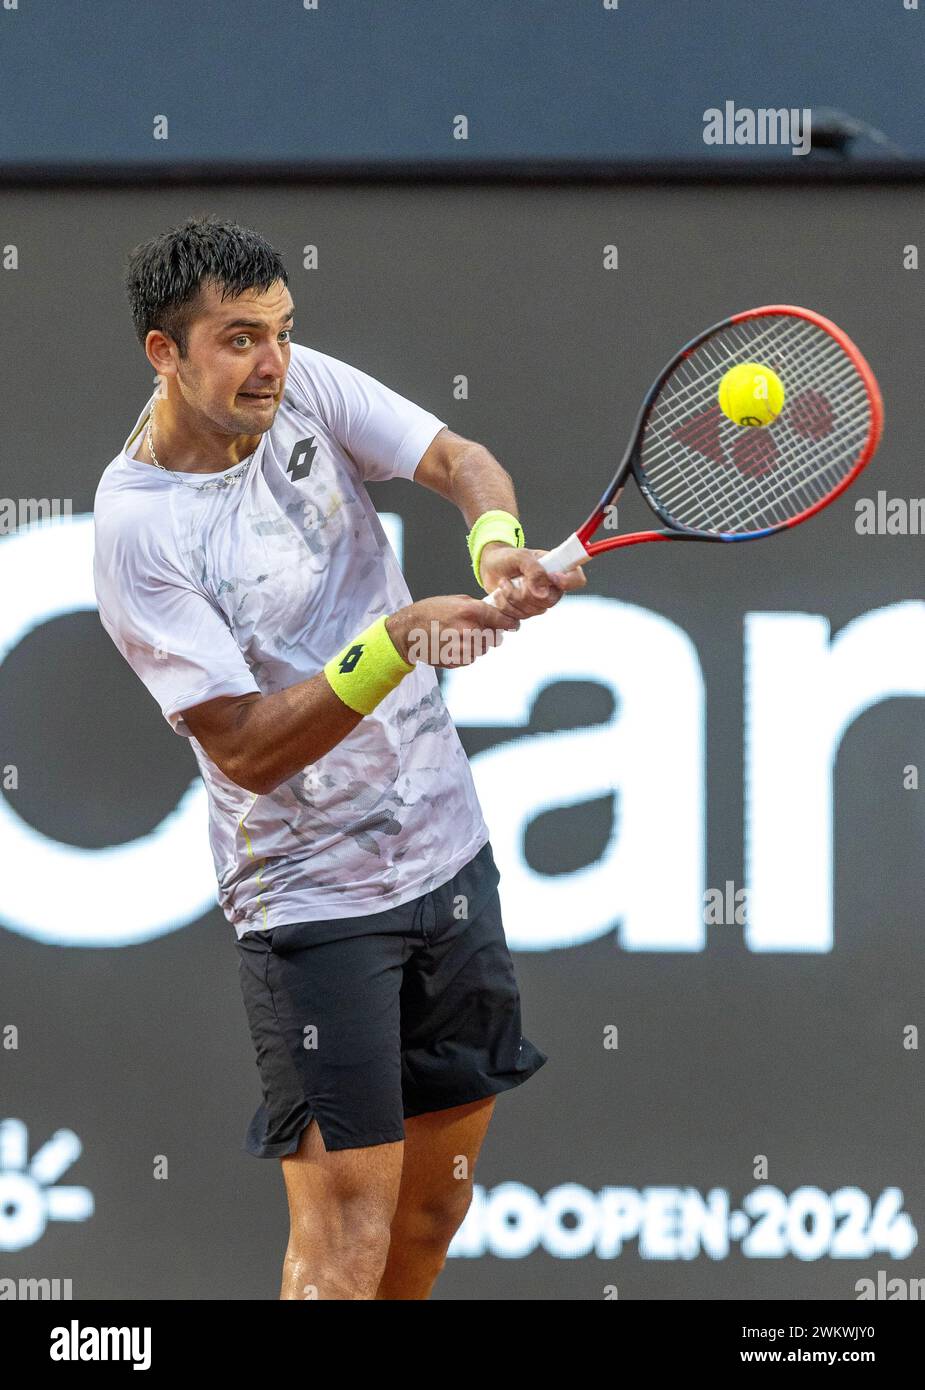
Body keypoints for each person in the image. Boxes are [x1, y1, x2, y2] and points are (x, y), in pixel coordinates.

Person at [93, 215, 586, 1299]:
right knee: (342, 1250)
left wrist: (493, 542)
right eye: (237, 339)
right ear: (163, 354)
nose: (270, 360)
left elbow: (460, 461)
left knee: (435, 1206)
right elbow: (246, 750)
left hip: (446, 860)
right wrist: (400, 638)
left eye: (279, 329)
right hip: (313, 905)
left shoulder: (300, 383)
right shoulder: (138, 531)